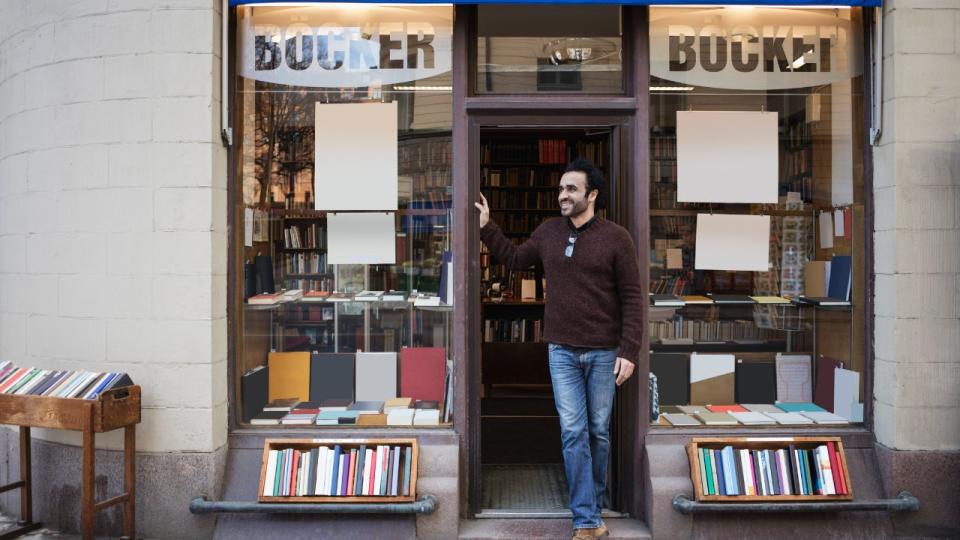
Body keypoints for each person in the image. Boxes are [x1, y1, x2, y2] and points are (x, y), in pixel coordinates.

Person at [476, 158, 643, 540]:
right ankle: (586, 519)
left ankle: (592, 505)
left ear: (592, 195)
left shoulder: (617, 238)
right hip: (562, 352)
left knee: (598, 431)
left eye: (571, 189)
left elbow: (633, 299)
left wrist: (629, 351)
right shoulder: (549, 231)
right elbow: (517, 260)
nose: (562, 195)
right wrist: (488, 229)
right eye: (560, 189)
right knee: (573, 430)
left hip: (604, 352)